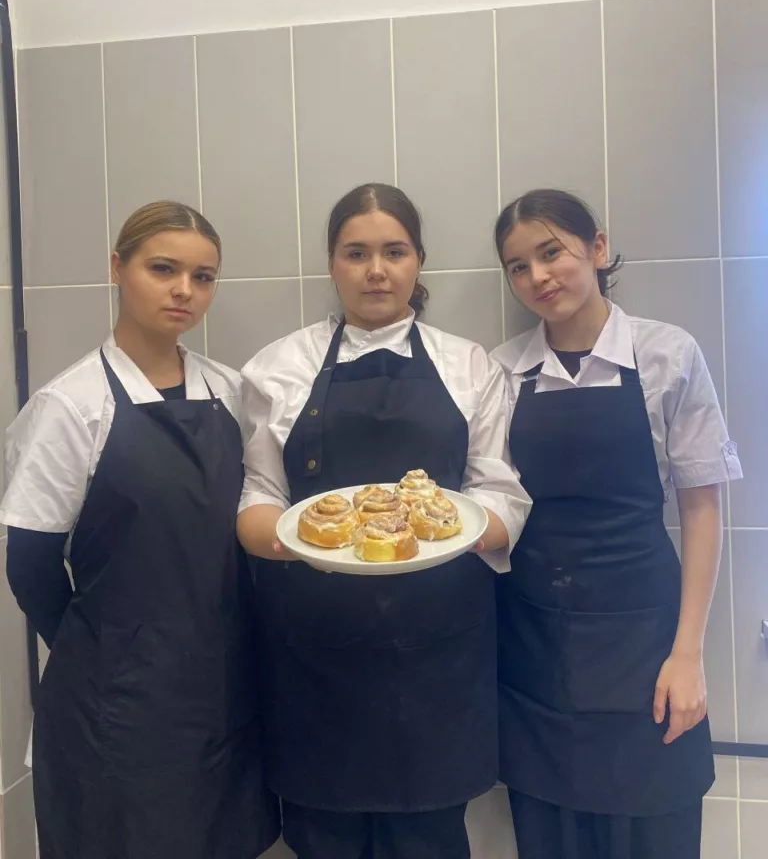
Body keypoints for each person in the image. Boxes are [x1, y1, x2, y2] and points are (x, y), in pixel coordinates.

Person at [236, 183, 531, 859]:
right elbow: (260, 493)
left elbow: (499, 490)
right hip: (312, 648)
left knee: (430, 837)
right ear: (332, 264)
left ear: (418, 260)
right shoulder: (278, 368)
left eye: (394, 252)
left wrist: (459, 531)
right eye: (356, 253)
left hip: (438, 650)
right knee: (322, 836)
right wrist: (302, 545)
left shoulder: (468, 364)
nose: (376, 271)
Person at [1, 201, 279, 859]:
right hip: (115, 708)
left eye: (203, 277)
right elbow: (31, 565)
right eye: (163, 269)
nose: (184, 290)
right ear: (117, 268)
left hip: (222, 687)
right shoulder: (71, 407)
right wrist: (111, 653)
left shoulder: (229, 392)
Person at [490, 188, 742, 859]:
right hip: (534, 641)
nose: (538, 276)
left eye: (552, 252)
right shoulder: (503, 371)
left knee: (655, 826)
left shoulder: (668, 355)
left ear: (597, 248)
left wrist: (688, 655)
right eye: (518, 266)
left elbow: (702, 508)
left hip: (645, 639)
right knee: (551, 835)